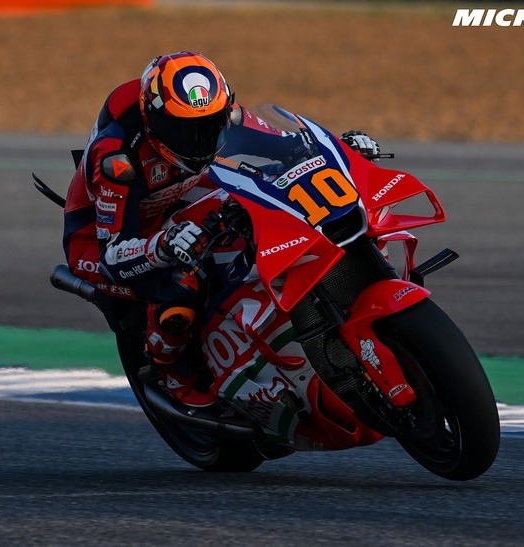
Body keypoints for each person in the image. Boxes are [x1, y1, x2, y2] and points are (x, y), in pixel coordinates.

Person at [62, 51, 381, 407]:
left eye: (210, 125)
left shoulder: (225, 115)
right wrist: (162, 245)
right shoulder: (117, 160)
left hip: (177, 197)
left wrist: (341, 150)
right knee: (181, 285)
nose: (200, 140)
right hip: (102, 242)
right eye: (183, 129)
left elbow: (289, 146)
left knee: (264, 198)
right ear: (154, 120)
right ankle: (172, 376)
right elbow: (112, 254)